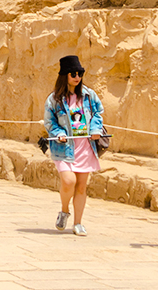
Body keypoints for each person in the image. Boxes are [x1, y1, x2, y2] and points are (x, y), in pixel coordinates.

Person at [43, 55, 103, 235]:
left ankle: (78, 223)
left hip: (85, 146)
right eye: (73, 74)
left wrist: (95, 129)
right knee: (69, 181)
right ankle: (64, 210)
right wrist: (58, 133)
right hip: (64, 148)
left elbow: (98, 113)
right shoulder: (54, 99)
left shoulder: (89, 95)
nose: (77, 77)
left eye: (80, 74)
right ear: (65, 75)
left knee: (82, 186)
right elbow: (49, 122)